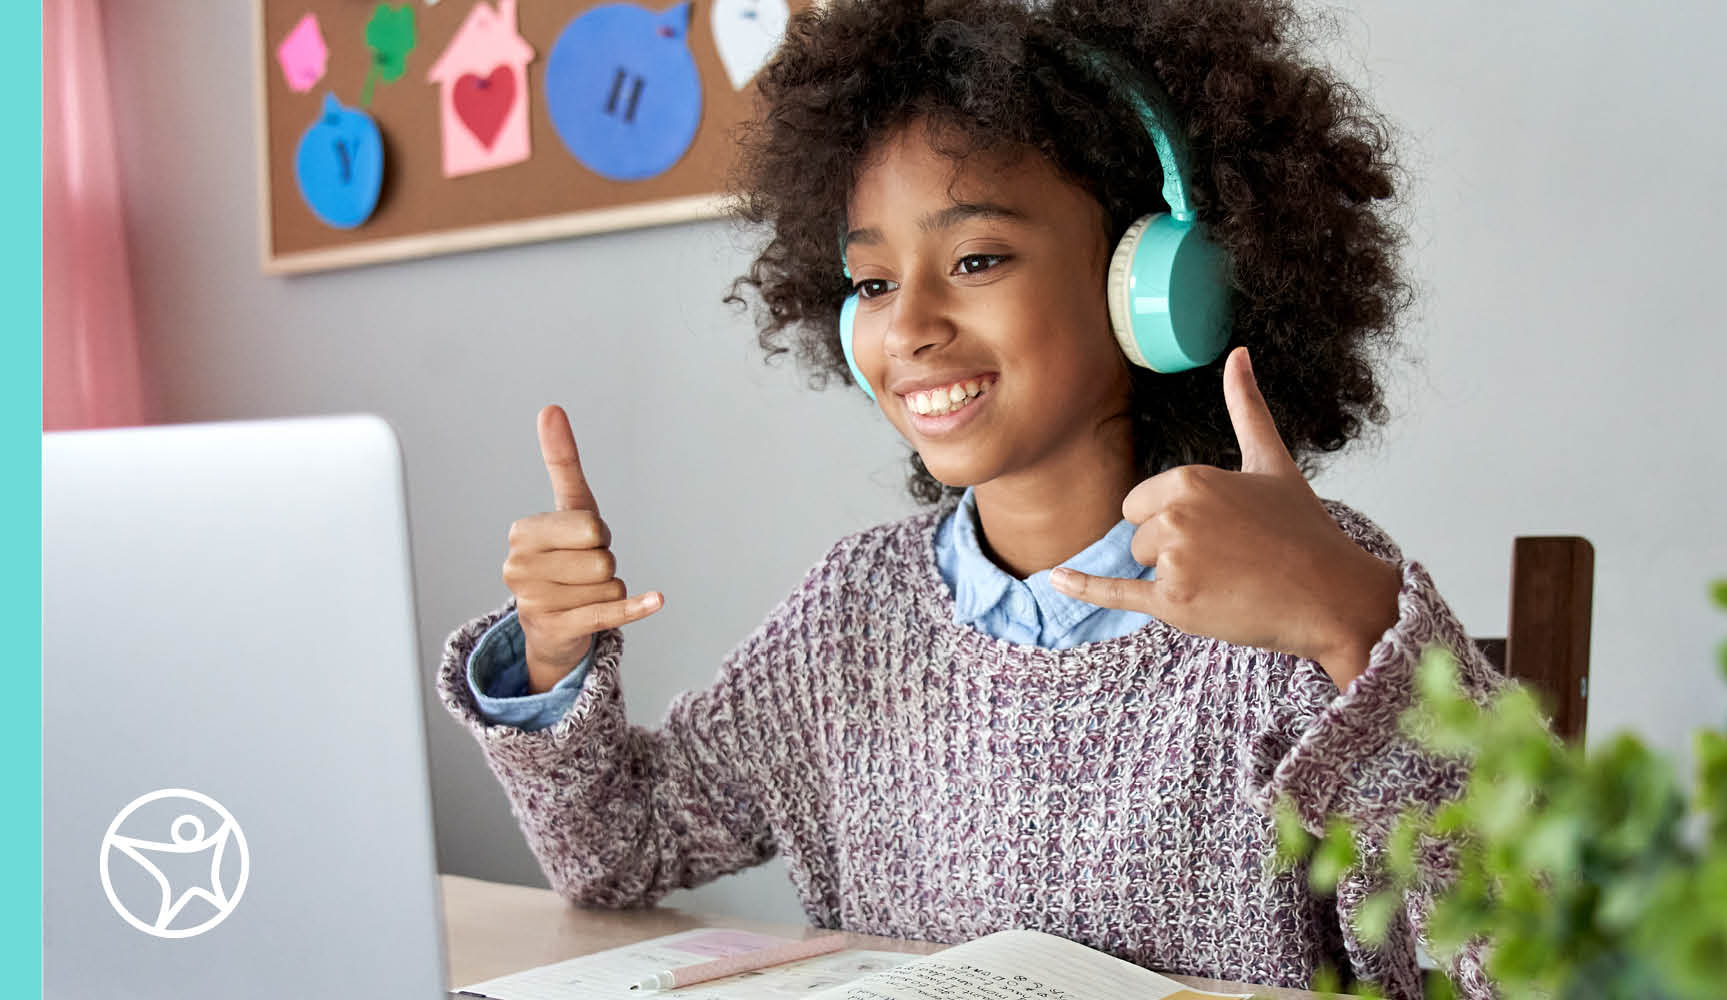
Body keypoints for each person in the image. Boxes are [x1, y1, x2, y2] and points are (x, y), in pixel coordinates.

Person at [434, 1, 1508, 996]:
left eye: (976, 257)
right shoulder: (850, 615)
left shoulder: (1302, 589)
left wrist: (1356, 624)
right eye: (870, 282)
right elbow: (616, 849)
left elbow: (1525, 958)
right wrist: (548, 659)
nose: (907, 327)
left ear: (1153, 284)